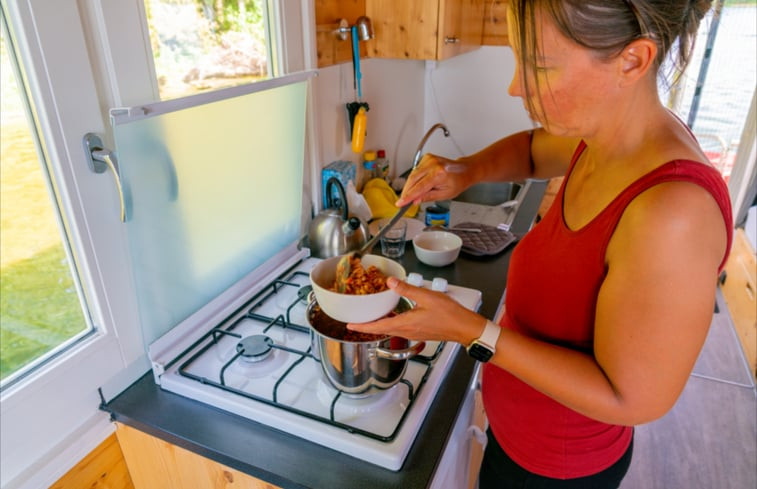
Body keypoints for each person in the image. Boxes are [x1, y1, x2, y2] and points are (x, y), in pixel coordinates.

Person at [348, 0, 733, 487]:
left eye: (540, 66)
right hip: (520, 439)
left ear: (632, 61)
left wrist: (474, 333)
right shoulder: (607, 134)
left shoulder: (673, 213)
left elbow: (632, 399)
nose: (515, 86)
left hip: (559, 471)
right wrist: (462, 171)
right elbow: (533, 151)